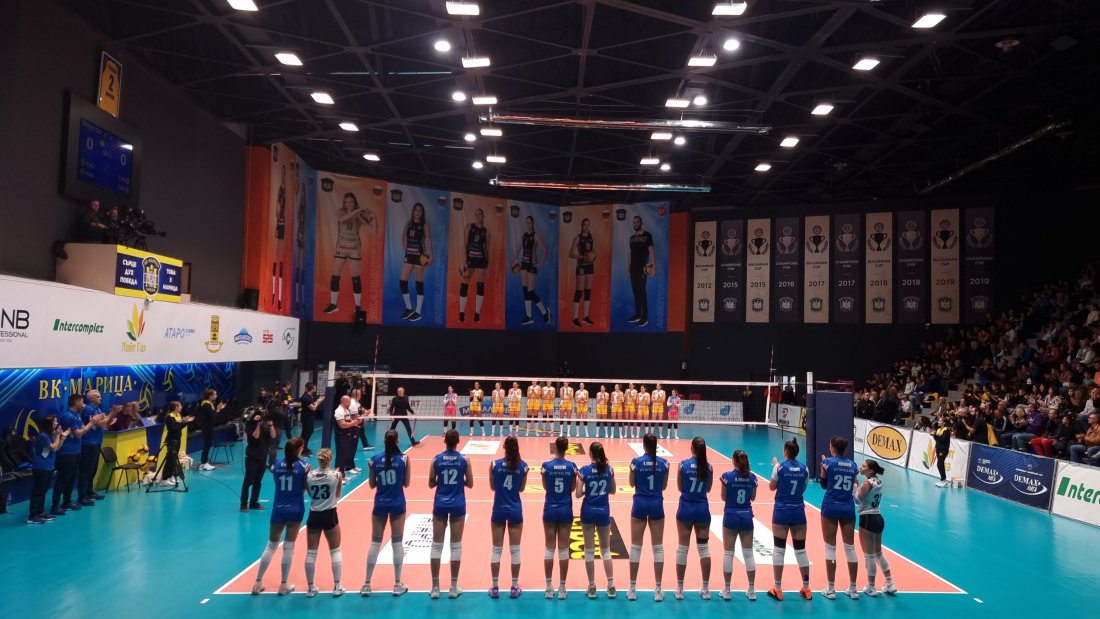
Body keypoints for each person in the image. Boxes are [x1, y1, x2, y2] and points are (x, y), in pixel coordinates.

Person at [251, 437, 310, 595]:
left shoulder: (276, 464)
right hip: (296, 509)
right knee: (289, 546)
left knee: (271, 545)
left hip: (278, 508)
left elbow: (275, 475)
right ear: (299, 449)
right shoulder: (304, 466)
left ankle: (257, 583)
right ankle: (283, 585)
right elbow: (305, 488)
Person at [363, 430, 411, 597]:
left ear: (384, 441)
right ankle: (397, 584)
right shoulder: (404, 459)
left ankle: (366, 584)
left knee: (375, 542)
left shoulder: (374, 460)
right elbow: (406, 483)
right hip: (397, 503)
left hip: (380, 504)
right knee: (397, 543)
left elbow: (371, 485)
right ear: (397, 441)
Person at [429, 429, 473, 599]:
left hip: (440, 504)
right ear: (458, 441)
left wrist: (441, 480)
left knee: (436, 545)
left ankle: (435, 588)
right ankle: (454, 587)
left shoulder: (436, 459)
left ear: (445, 441)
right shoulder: (464, 460)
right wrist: (459, 481)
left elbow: (431, 483)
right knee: (455, 545)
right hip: (457, 504)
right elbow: (470, 483)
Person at [768, 438, 811, 601]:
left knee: (779, 549)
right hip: (798, 511)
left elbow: (772, 487)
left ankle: (778, 588)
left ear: (786, 451)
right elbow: (803, 489)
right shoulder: (805, 469)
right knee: (801, 550)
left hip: (782, 511)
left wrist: (774, 466)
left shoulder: (779, 467)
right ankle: (806, 588)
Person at [628, 433, 670, 601]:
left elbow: (631, 483)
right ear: (656, 446)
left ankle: (632, 589)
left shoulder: (636, 462)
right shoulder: (664, 463)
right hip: (656, 504)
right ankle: (658, 590)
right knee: (658, 547)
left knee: (635, 547)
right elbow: (664, 486)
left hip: (640, 503)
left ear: (644, 445)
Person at [818, 436, 860, 600]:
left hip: (831, 506)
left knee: (830, 547)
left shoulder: (828, 462)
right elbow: (854, 483)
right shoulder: (853, 465)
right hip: (848, 507)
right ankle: (853, 589)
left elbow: (823, 485)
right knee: (850, 547)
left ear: (833, 448)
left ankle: (830, 588)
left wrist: (823, 467)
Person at [488, 436, 529, 599]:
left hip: (499, 509)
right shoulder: (523, 466)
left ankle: (495, 587)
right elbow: (521, 489)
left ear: (504, 447)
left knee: (496, 549)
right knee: (515, 549)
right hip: (514, 510)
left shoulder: (494, 465)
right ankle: (514, 586)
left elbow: (493, 487)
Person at [323, 192, 376, 314]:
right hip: (341, 248)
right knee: (335, 276)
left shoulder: (359, 215)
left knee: (355, 278)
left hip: (354, 249)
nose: (349, 204)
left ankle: (357, 306)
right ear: (344, 203)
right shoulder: (341, 212)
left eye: (351, 201)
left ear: (354, 202)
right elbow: (342, 219)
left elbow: (370, 223)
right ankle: (333, 304)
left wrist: (367, 214)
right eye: (346, 202)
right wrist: (357, 211)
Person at [675, 437, 714, 600]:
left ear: (691, 448)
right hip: (702, 509)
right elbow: (708, 489)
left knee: (683, 548)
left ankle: (679, 589)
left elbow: (680, 487)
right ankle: (705, 589)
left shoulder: (683, 465)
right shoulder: (709, 467)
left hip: (686, 509)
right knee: (704, 549)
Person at [577, 441, 616, 598]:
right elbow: (613, 490)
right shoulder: (609, 469)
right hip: (603, 511)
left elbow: (578, 494)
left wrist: (587, 490)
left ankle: (592, 587)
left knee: (589, 551)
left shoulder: (584, 470)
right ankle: (611, 586)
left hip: (588, 512)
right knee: (605, 550)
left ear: (590, 453)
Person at [541, 436, 578, 599]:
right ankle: (562, 587)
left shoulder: (546, 466)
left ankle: (549, 587)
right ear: (566, 449)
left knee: (549, 548)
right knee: (563, 549)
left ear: (555, 448)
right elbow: (572, 488)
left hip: (550, 509)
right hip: (565, 510)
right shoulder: (572, 467)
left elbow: (545, 487)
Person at [304, 448, 345, 597]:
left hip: (314, 515)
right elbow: (338, 494)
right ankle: (337, 586)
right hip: (330, 514)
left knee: (311, 552)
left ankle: (310, 588)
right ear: (330, 459)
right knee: (335, 550)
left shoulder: (309, 476)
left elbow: (310, 494)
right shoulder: (336, 475)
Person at [720, 449, 757, 601]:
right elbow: (753, 498)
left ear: (734, 461)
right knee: (748, 554)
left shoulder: (727, 477)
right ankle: (752, 590)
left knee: (728, 553)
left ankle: (727, 590)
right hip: (747, 516)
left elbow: (723, 497)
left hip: (731, 516)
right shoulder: (752, 477)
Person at [856, 459, 896, 596]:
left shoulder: (867, 483)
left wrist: (855, 487)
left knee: (869, 555)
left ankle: (871, 587)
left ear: (871, 470)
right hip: (878, 518)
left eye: (863, 466)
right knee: (878, 553)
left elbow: (857, 500)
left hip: (867, 519)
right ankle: (890, 583)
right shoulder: (879, 481)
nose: (861, 468)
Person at [52, 394, 95, 514]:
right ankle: (55, 505)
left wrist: (87, 425)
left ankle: (67, 501)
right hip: (66, 452)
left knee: (72, 478)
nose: (83, 404)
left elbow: (82, 429)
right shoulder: (68, 416)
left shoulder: (77, 415)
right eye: (81, 401)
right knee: (62, 479)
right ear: (76, 403)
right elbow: (79, 434)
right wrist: (92, 423)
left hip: (76, 451)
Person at [77, 390, 116, 504]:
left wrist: (113, 413)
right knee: (86, 470)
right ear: (91, 399)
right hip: (88, 443)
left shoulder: (97, 409)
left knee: (93, 469)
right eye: (98, 397)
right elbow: (101, 423)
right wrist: (110, 414)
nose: (100, 398)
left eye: (100, 396)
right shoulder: (89, 409)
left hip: (96, 442)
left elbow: (106, 423)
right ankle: (82, 495)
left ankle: (89, 491)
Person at [511, 215, 550, 325]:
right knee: (525, 291)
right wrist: (511, 261)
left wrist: (541, 263)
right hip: (523, 265)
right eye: (527, 222)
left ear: (533, 224)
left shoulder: (535, 235)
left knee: (531, 293)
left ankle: (545, 312)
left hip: (532, 266)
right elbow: (518, 249)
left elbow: (545, 250)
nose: (528, 224)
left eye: (530, 222)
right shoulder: (524, 235)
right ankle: (529, 317)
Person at [399, 202, 433, 321]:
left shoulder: (425, 225)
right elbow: (403, 235)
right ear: (413, 211)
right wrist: (404, 246)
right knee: (402, 282)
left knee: (419, 284)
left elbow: (428, 239)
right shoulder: (409, 223)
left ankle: (418, 312)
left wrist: (431, 255)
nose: (417, 212)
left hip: (419, 256)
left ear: (422, 213)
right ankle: (409, 308)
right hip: (409, 255)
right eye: (416, 210)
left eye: (420, 211)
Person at [28, 415, 65, 524]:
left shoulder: (50, 435)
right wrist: (58, 435)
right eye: (55, 421)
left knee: (43, 491)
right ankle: (32, 516)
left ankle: (40, 512)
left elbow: (56, 448)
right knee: (37, 492)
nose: (57, 423)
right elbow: (53, 447)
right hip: (41, 467)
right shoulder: (43, 436)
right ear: (49, 424)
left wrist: (62, 437)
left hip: (49, 467)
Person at [242, 407, 277, 512]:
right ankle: (243, 504)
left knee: (258, 482)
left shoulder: (266, 425)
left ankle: (254, 503)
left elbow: (273, 435)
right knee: (248, 481)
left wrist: (271, 425)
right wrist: (257, 424)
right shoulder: (250, 425)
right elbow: (255, 436)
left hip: (263, 457)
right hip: (252, 458)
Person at [459, 208, 489, 323]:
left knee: (480, 286)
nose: (477, 216)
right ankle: (461, 313)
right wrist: (464, 261)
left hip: (481, 261)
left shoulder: (486, 232)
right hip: (470, 260)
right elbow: (464, 245)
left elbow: (487, 250)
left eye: (479, 214)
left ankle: (477, 314)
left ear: (483, 216)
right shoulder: (469, 227)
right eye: (476, 214)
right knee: (464, 284)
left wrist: (488, 266)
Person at [627, 215, 656, 327]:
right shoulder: (631, 238)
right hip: (633, 268)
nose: (635, 224)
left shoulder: (647, 235)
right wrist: (628, 269)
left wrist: (654, 267)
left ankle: (645, 317)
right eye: (634, 222)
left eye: (637, 222)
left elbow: (651, 251)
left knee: (642, 291)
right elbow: (630, 254)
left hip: (643, 268)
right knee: (635, 291)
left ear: (641, 223)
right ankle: (638, 314)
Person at [157, 401, 194, 486]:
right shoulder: (170, 417)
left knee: (174, 460)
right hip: (171, 440)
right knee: (170, 460)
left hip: (177, 439)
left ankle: (170, 476)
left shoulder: (178, 415)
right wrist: (182, 422)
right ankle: (164, 479)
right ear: (175, 407)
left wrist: (185, 422)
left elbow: (179, 428)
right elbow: (173, 429)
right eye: (180, 406)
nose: (181, 407)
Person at [569, 217, 597, 327]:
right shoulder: (577, 238)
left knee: (588, 291)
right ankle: (574, 318)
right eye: (585, 224)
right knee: (579, 291)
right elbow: (571, 254)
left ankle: (585, 317)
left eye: (588, 225)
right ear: (581, 226)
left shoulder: (591, 238)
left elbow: (594, 252)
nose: (586, 226)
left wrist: (594, 257)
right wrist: (580, 256)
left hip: (590, 266)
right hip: (581, 266)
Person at [197, 389, 227, 471]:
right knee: (207, 445)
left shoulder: (209, 404)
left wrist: (218, 409)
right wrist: (218, 410)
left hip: (209, 426)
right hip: (207, 427)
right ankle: (203, 464)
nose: (216, 396)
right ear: (210, 396)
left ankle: (205, 462)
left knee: (208, 445)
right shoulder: (206, 405)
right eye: (215, 394)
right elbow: (212, 416)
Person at [333, 396, 363, 475]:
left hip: (347, 435)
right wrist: (354, 423)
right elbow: (342, 425)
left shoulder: (346, 410)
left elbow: (348, 421)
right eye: (348, 401)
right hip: (341, 436)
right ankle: (338, 475)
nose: (350, 403)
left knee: (344, 455)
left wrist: (356, 422)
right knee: (340, 456)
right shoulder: (339, 411)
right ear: (343, 401)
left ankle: (342, 474)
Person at [297, 382, 325, 457]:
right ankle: (302, 450)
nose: (316, 389)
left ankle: (304, 447)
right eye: (314, 388)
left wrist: (318, 401)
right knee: (305, 434)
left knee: (308, 433)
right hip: (307, 418)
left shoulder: (309, 397)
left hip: (309, 417)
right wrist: (318, 402)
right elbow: (313, 408)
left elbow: (312, 404)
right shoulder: (306, 397)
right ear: (312, 389)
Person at [349, 388, 375, 452]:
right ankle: (349, 447)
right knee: (354, 435)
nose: (361, 395)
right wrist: (366, 414)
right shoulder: (353, 404)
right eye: (360, 394)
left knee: (362, 432)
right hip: (354, 423)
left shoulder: (356, 402)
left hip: (358, 422)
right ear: (357, 395)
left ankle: (365, 445)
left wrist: (367, 411)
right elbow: (355, 418)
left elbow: (361, 409)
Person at [933, 415, 952, 487]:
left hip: (943, 450)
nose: (938, 422)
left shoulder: (946, 430)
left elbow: (942, 440)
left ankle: (943, 480)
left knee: (939, 464)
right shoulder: (938, 429)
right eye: (938, 420)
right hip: (938, 449)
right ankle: (943, 480)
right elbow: (937, 440)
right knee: (940, 464)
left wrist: (935, 435)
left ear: (944, 422)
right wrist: (934, 436)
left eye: (940, 421)